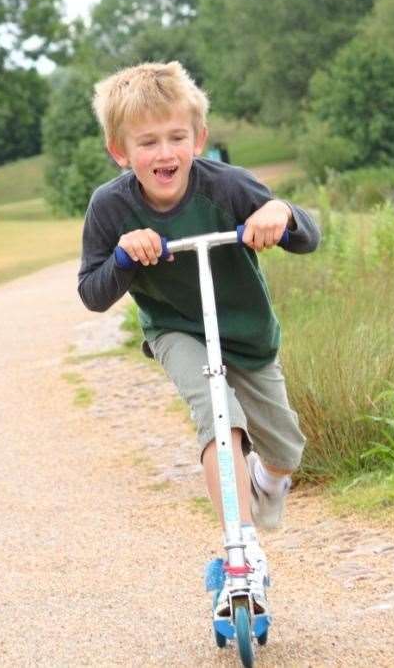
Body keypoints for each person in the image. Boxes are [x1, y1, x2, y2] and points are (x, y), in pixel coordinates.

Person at [77, 62, 321, 617]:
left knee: (285, 450)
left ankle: (262, 484)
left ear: (199, 139)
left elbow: (307, 234)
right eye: (147, 142)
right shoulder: (111, 208)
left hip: (247, 334)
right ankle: (241, 553)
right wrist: (122, 255)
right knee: (218, 415)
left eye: (176, 138)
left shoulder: (228, 187)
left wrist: (279, 214)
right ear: (120, 151)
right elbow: (92, 292)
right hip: (177, 330)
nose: (164, 153)